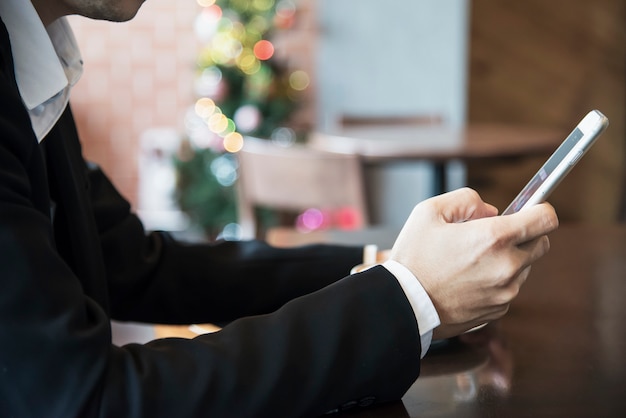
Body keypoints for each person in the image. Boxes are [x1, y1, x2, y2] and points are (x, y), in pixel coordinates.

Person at [0, 0, 558, 417]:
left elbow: (140, 265)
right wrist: (410, 298)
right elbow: (88, 399)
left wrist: (388, 266)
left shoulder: (36, 67)